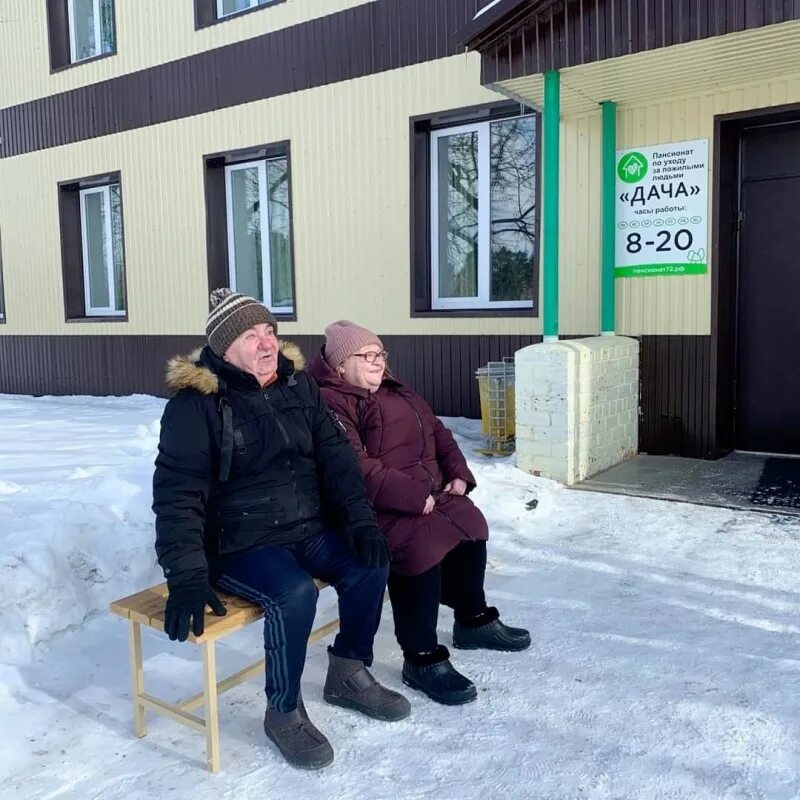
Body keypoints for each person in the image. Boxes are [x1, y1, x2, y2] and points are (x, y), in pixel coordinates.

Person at [152, 291, 410, 771]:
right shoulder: (196, 407)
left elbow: (337, 458)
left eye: (269, 330)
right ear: (224, 348)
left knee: (369, 563)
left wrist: (359, 519)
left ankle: (349, 670)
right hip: (240, 542)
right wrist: (186, 573)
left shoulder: (298, 387)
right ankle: (283, 710)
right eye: (251, 335)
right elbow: (177, 495)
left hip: (308, 526)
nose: (266, 342)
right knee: (294, 594)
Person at [308, 321, 531, 707]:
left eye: (381, 354)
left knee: (470, 523)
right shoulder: (331, 402)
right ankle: (421, 655)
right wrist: (412, 496)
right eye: (368, 356)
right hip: (371, 508)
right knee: (420, 544)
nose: (379, 362)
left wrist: (459, 473)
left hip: (425, 493)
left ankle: (472, 619)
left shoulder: (398, 391)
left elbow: (438, 431)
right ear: (341, 365)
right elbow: (353, 465)